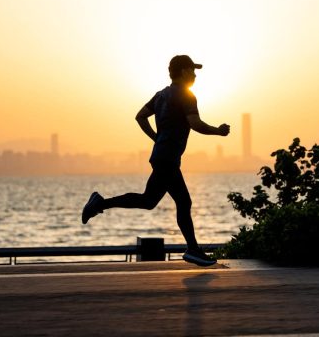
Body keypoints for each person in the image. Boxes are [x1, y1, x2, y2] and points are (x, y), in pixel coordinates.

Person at [81, 55, 230, 266]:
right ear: (184, 71)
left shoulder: (161, 95)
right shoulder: (187, 96)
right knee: (183, 201)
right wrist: (218, 131)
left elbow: (140, 116)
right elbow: (195, 123)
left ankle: (100, 202)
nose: (195, 75)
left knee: (149, 201)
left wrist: (156, 138)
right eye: (192, 70)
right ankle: (193, 250)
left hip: (161, 156)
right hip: (167, 158)